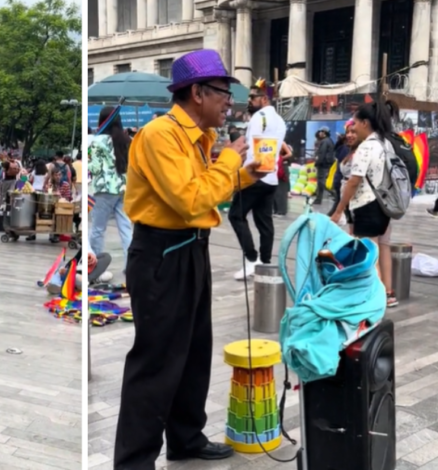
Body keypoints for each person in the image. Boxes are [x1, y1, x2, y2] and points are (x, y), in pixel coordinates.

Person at [115, 49, 262, 468]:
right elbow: (189, 197)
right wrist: (232, 158)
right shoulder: (161, 134)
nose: (228, 102)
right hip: (162, 253)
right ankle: (134, 460)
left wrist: (252, 171)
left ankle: (185, 437)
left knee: (195, 350)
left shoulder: (200, 139)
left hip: (191, 248)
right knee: (156, 359)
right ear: (197, 93)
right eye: (222, 93)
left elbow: (207, 188)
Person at [329, 100, 396, 302]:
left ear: (365, 123)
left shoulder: (366, 148)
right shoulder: (385, 144)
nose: (353, 128)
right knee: (375, 251)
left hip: (366, 206)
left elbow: (353, 181)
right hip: (381, 206)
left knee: (369, 257)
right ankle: (380, 295)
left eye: (356, 123)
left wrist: (339, 209)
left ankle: (373, 301)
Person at [229, 80, 286, 280]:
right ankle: (265, 262)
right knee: (264, 222)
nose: (249, 101)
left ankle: (252, 259)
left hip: (255, 176)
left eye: (252, 97)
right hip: (270, 177)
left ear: (264, 98)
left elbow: (253, 149)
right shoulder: (279, 120)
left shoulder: (259, 117)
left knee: (236, 215)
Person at [88, 106, 132, 275]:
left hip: (104, 189)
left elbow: (95, 168)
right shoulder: (126, 141)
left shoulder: (97, 141)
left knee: (98, 229)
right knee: (125, 228)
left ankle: (95, 268)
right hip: (123, 188)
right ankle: (130, 266)